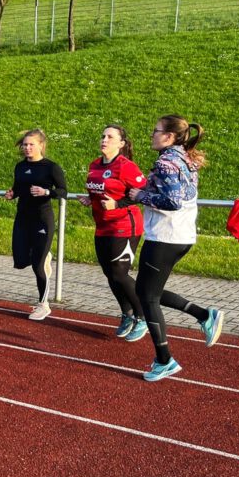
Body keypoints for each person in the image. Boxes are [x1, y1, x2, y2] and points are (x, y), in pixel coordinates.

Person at [128, 115, 224, 382]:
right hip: (182, 235)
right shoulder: (184, 157)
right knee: (148, 291)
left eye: (156, 131)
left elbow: (173, 201)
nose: (152, 135)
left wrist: (140, 195)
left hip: (165, 236)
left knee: (147, 297)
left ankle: (164, 360)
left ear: (169, 136)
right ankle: (204, 315)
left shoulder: (166, 162)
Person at [79, 125, 148, 341]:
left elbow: (145, 191)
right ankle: (127, 313)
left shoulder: (126, 166)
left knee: (119, 273)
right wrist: (90, 198)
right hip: (102, 226)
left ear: (121, 143)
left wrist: (118, 204)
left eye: (110, 137)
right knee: (109, 273)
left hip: (125, 225)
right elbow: (98, 190)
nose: (104, 139)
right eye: (103, 136)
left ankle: (143, 316)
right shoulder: (94, 164)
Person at [4, 129, 67, 321]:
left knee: (38, 266)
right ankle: (44, 254)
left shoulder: (51, 167)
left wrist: (46, 192)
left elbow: (63, 191)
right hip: (23, 218)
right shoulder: (20, 166)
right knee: (21, 259)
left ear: (41, 145)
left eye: (31, 144)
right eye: (25, 144)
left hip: (42, 219)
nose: (27, 148)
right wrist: (12, 194)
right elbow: (18, 188)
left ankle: (43, 304)